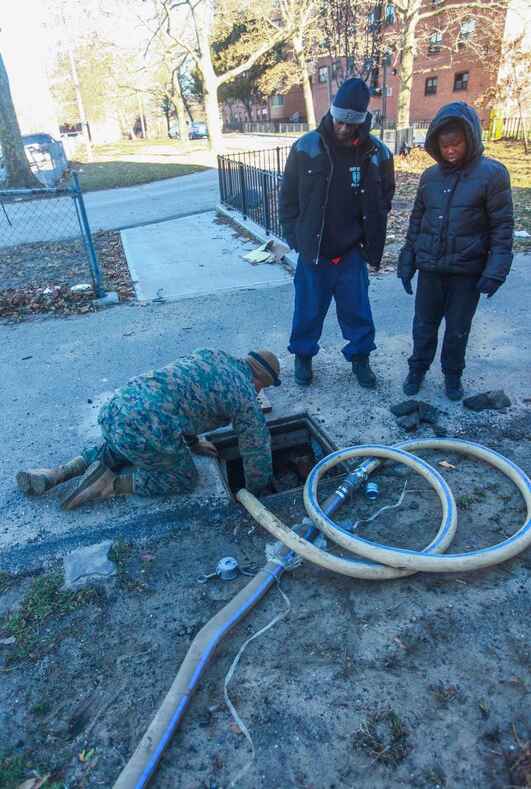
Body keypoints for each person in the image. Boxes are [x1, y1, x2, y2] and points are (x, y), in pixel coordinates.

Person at [16, 348, 281, 509]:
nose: (260, 392)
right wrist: (257, 492)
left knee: (118, 448)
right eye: (263, 387)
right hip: (145, 430)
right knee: (184, 479)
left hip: (116, 410)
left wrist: (193, 444)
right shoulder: (245, 395)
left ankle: (57, 473)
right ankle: (108, 486)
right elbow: (257, 448)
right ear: (261, 381)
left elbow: (187, 400)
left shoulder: (212, 355)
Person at [279, 77, 395, 388]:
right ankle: (303, 356)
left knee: (357, 311)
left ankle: (360, 359)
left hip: (351, 250)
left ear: (362, 122)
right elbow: (288, 196)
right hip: (314, 250)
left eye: (351, 123)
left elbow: (386, 195)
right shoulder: (306, 146)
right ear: (332, 113)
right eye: (340, 120)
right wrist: (295, 237)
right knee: (308, 310)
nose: (344, 128)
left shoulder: (377, 153)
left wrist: (369, 236)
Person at [397, 102, 514, 401]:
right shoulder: (430, 177)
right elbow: (416, 222)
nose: (450, 150)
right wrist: (407, 259)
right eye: (444, 144)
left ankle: (452, 376)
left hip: (466, 270)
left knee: (458, 329)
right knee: (423, 325)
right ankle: (418, 369)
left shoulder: (493, 174)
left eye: (456, 143)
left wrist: (495, 271)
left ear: (470, 138)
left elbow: (502, 228)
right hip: (431, 268)